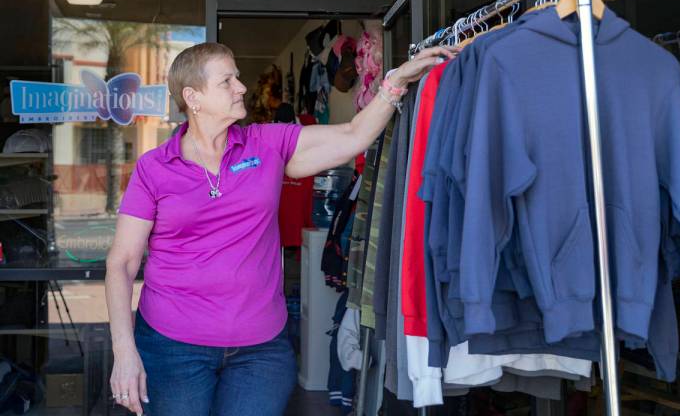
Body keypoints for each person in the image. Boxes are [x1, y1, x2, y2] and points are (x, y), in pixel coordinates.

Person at [105, 42, 456, 416]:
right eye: (227, 81)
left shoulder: (265, 143)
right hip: (172, 348)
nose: (241, 87)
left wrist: (394, 83)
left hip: (260, 353)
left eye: (237, 77)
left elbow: (354, 136)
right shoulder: (155, 167)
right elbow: (122, 263)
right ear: (193, 97)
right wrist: (124, 353)